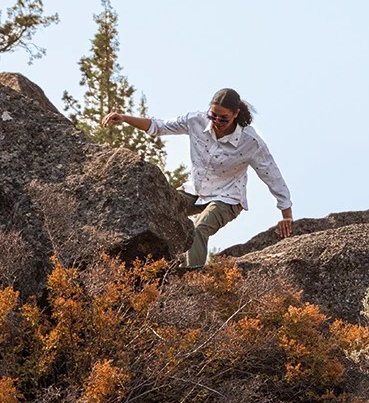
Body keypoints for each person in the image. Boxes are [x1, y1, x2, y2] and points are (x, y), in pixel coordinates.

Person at [102, 87, 293, 270]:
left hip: (227, 198)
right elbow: (158, 126)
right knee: (160, 209)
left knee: (199, 227)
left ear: (235, 114)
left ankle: (191, 279)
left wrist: (287, 216)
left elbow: (271, 175)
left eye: (223, 118)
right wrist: (125, 118)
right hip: (194, 191)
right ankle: (152, 266)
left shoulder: (250, 142)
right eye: (213, 115)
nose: (217, 121)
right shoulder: (196, 120)